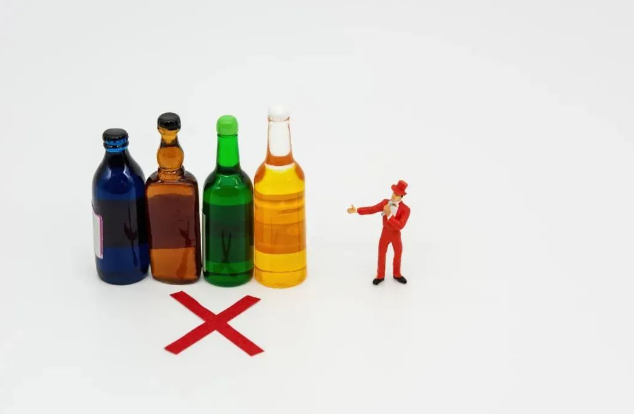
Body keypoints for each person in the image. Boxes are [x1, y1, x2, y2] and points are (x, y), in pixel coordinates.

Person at [348, 180, 410, 285]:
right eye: (393, 192)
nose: (393, 195)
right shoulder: (385, 202)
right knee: (381, 254)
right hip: (385, 232)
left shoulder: (406, 209)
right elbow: (372, 209)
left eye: (397, 194)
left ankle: (397, 274)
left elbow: (400, 225)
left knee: (398, 253)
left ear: (401, 196)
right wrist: (357, 210)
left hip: (396, 234)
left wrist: (389, 215)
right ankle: (380, 275)